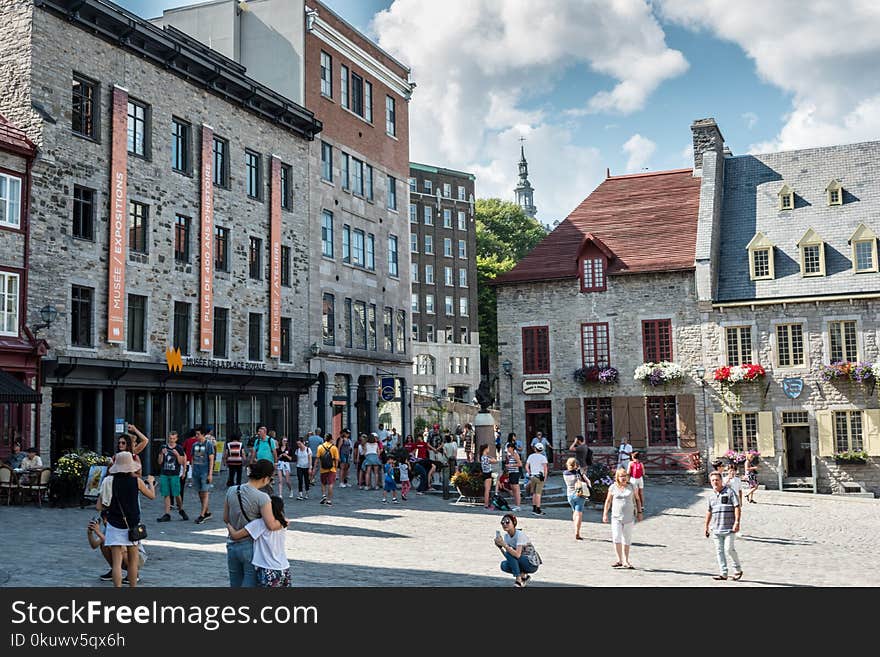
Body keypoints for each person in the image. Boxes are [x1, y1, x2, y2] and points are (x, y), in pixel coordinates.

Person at [222, 459, 283, 587]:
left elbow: (226, 518)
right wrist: (284, 522)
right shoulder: (262, 497)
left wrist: (231, 529)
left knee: (235, 585)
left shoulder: (231, 490)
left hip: (232, 546)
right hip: (251, 547)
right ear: (265, 478)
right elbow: (271, 525)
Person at [103, 451, 156, 587]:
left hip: (114, 523)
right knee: (133, 562)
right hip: (131, 524)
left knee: (116, 563)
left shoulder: (110, 481)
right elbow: (151, 496)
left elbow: (100, 504)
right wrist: (150, 483)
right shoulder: (136, 481)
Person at [226, 495, 291, 588]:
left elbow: (235, 536)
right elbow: (286, 521)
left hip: (267, 567)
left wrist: (228, 524)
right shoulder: (282, 522)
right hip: (283, 567)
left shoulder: (259, 523)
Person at [705, 471, 743, 581]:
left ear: (721, 480)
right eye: (713, 480)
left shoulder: (730, 492)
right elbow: (709, 511)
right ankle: (723, 573)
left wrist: (737, 522)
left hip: (729, 527)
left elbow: (737, 507)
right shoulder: (711, 496)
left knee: (729, 549)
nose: (715, 482)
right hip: (716, 528)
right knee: (719, 551)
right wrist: (706, 526)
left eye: (717, 480)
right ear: (710, 482)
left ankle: (737, 570)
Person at [602, 468, 642, 569]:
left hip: (629, 517)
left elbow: (637, 499)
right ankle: (619, 560)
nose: (623, 478)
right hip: (616, 517)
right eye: (621, 476)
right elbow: (608, 501)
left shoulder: (632, 487)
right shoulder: (613, 487)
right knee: (616, 537)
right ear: (617, 477)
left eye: (625, 476)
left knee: (627, 539)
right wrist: (605, 514)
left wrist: (640, 512)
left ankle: (626, 561)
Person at [87, 514, 146, 583]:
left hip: (138, 557)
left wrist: (98, 532)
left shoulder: (121, 527)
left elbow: (123, 549)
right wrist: (90, 533)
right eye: (104, 520)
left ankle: (134, 574)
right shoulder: (109, 529)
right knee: (104, 544)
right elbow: (94, 545)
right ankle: (115, 571)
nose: (105, 522)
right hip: (124, 555)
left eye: (107, 519)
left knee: (117, 549)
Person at [494, 513, 539, 587]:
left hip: (531, 563)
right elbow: (509, 557)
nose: (504, 524)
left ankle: (518, 580)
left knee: (510, 553)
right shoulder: (506, 536)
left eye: (507, 522)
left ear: (514, 523)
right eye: (502, 522)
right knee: (504, 565)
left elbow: (517, 555)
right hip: (521, 561)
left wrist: (504, 545)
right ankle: (523, 576)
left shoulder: (519, 534)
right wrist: (500, 547)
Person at [156, 430, 188, 522]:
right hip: (164, 473)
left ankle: (181, 509)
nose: (172, 440)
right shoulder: (163, 447)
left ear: (176, 439)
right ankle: (167, 513)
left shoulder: (179, 448)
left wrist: (177, 455)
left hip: (174, 474)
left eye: (174, 438)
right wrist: (162, 453)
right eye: (170, 438)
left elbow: (181, 462)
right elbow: (159, 462)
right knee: (166, 494)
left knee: (176, 493)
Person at [190, 427, 215, 524]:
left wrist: (210, 473)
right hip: (196, 471)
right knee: (200, 493)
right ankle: (207, 512)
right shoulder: (194, 445)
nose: (196, 436)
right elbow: (192, 458)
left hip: (204, 471)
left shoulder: (208, 444)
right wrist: (192, 470)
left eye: (198, 434)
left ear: (203, 435)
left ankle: (202, 514)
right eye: (196, 434)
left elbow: (211, 459)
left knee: (205, 492)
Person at [563, 457, 591, 540]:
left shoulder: (565, 473)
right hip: (579, 494)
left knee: (574, 512)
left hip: (569, 495)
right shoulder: (578, 473)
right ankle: (577, 532)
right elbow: (587, 481)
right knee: (579, 513)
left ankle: (575, 527)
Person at [316, 433, 339, 506]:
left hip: (323, 468)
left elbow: (317, 458)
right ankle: (329, 500)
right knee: (330, 484)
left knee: (323, 483)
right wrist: (336, 468)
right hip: (332, 468)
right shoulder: (334, 448)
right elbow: (337, 459)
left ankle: (323, 495)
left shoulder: (320, 447)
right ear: (331, 439)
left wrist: (314, 467)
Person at [526, 442, 549, 516]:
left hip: (532, 476)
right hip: (540, 476)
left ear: (535, 449)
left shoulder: (531, 456)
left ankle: (534, 508)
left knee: (534, 493)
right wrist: (545, 477)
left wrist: (529, 473)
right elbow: (545, 469)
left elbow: (526, 466)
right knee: (538, 493)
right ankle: (538, 509)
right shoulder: (543, 457)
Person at [501, 442, 523, 511]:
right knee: (513, 489)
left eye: (509, 448)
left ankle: (518, 506)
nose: (508, 449)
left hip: (515, 473)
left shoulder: (515, 455)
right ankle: (516, 504)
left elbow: (520, 464)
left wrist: (511, 465)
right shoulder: (510, 456)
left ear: (512, 448)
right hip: (511, 473)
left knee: (516, 490)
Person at [479, 444, 497, 509]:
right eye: (488, 448)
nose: (489, 450)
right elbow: (495, 461)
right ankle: (486, 504)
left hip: (485, 473)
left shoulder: (482, 457)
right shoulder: (485, 457)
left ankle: (487, 503)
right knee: (487, 490)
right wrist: (492, 457)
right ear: (485, 449)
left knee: (487, 489)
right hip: (487, 473)